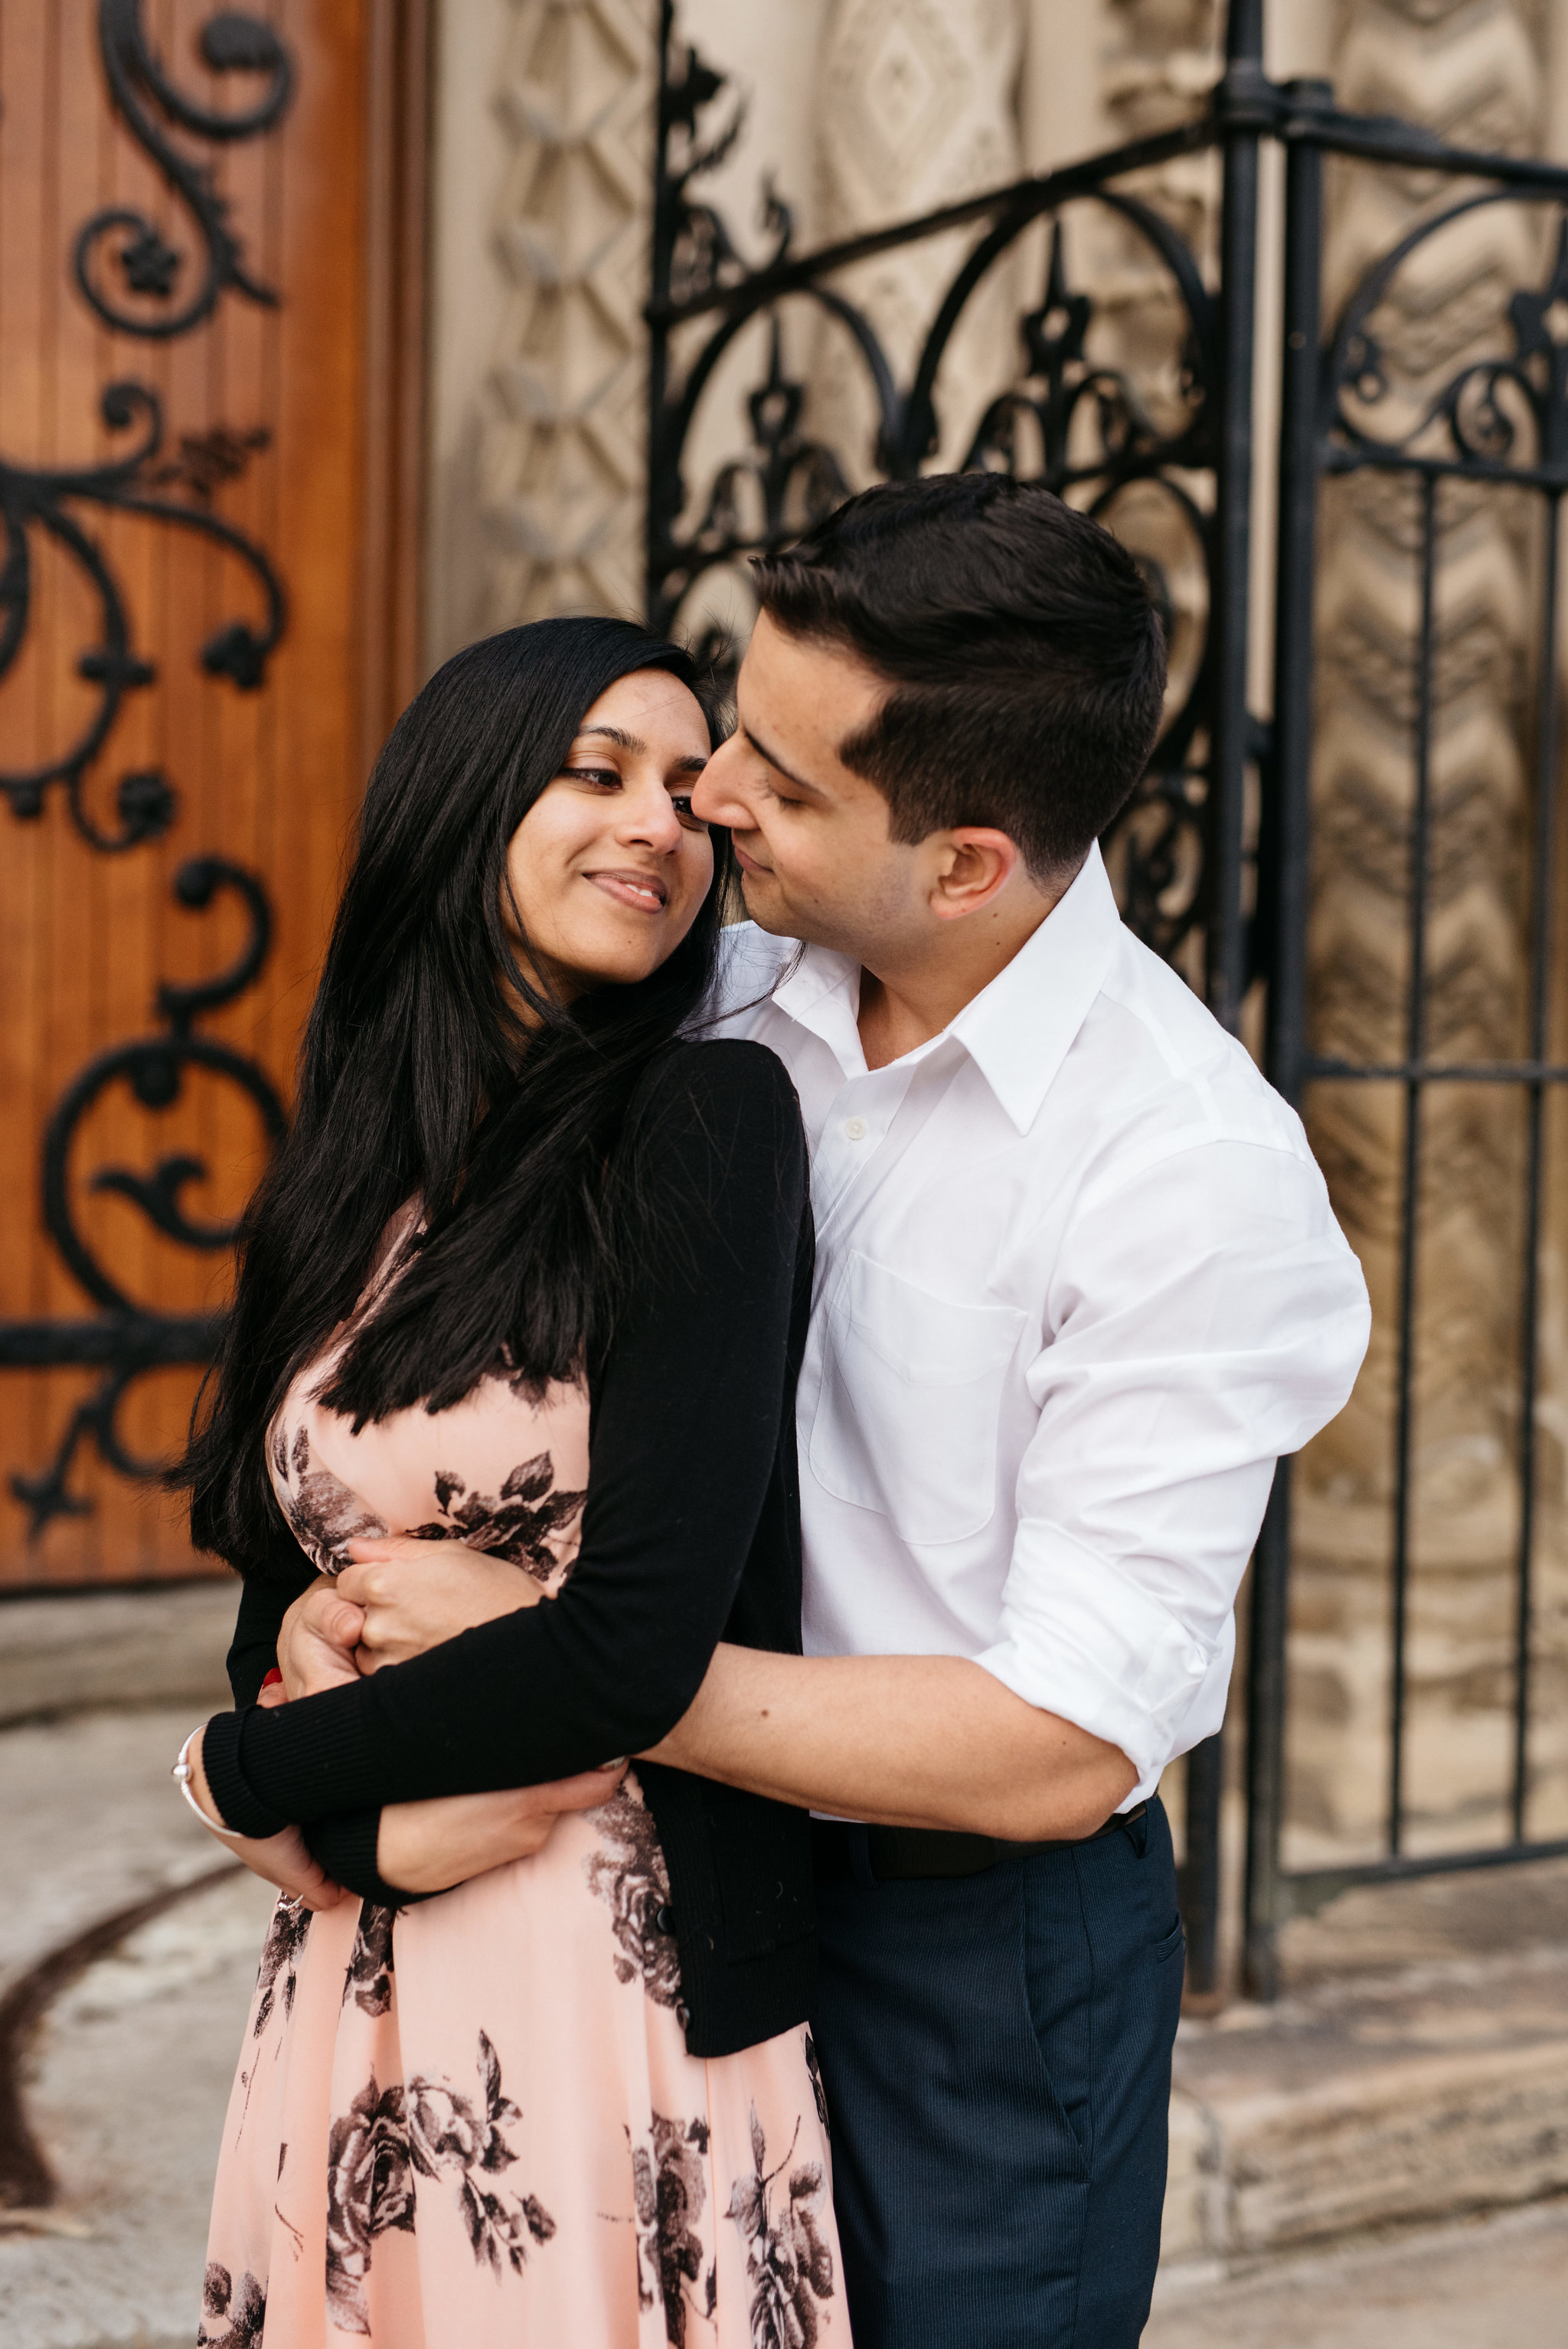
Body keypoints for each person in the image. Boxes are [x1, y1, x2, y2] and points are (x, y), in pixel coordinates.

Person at [201, 477, 1371, 2347]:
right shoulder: (726, 966)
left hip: (962, 1953)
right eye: (727, 726)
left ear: (968, 861)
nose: (708, 797)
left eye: (775, 775)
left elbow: (1063, 1736)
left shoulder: (1185, 1172)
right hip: (635, 1886)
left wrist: (581, 1657)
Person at [172, 616, 846, 2349]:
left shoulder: (705, 1119)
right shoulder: (348, 1174)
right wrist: (343, 1834)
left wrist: (236, 1775)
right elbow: (276, 1584)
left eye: (688, 796)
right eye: (597, 772)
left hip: (595, 1971)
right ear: (465, 797)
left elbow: (633, 1649)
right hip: (354, 1952)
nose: (661, 827)